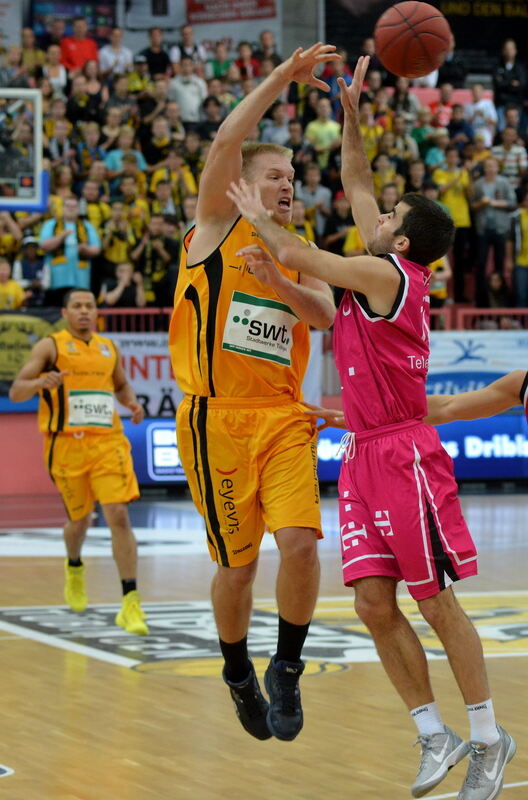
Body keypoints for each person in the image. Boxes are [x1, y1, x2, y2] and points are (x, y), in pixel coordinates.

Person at [227, 55, 516, 800]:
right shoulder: (386, 261)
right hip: (363, 454)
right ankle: (434, 734)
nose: (374, 215)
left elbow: (296, 250)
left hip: (405, 458)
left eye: (388, 219)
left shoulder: (389, 276)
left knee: (434, 600)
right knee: (371, 603)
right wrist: (351, 114)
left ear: (404, 243)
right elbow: (357, 181)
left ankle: (488, 737)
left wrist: (255, 215)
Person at [168, 43, 337, 743]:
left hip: (284, 419)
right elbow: (227, 137)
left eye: (293, 177)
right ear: (241, 184)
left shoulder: (298, 249)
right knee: (236, 570)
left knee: (300, 545)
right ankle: (237, 670)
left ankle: (287, 669)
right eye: (275, 174)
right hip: (217, 424)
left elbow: (324, 314)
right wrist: (279, 79)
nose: (288, 184)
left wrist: (279, 282)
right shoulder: (213, 226)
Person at [8, 288, 149, 635]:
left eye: (89, 306)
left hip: (107, 442)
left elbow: (122, 385)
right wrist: (42, 381)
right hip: (66, 446)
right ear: (65, 312)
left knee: (117, 514)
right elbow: (16, 391)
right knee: (80, 521)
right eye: (77, 306)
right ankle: (74, 566)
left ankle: (130, 602)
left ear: (96, 312)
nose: (84, 311)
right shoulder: (50, 346)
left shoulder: (108, 347)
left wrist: (131, 403)